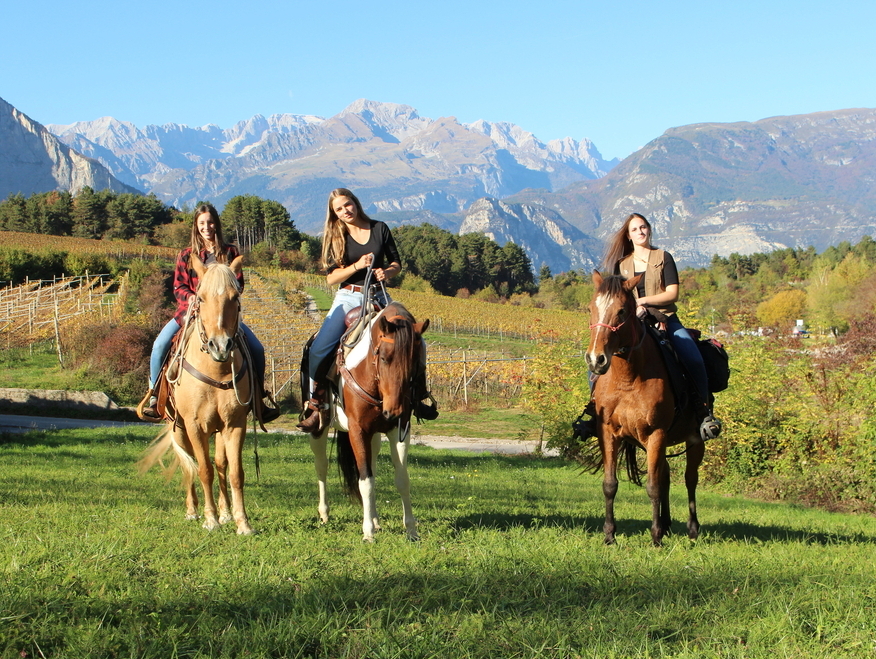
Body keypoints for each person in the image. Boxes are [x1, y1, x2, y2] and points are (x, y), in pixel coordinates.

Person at [297, 188, 437, 434]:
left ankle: (419, 396)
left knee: (416, 341)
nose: (345, 211)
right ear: (334, 214)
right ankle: (315, 405)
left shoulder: (379, 228)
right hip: (349, 296)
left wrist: (388, 272)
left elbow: (396, 263)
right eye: (338, 209)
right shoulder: (335, 236)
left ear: (355, 203)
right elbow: (331, 278)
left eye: (347, 205)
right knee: (319, 348)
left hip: (380, 295)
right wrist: (356, 266)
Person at [579, 213, 721, 442]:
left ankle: (703, 413)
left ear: (649, 230)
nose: (640, 232)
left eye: (643, 227)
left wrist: (642, 302)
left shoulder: (663, 257)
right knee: (599, 358)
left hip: (664, 319)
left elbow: (672, 293)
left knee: (693, 358)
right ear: (629, 235)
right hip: (631, 322)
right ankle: (594, 411)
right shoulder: (622, 264)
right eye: (635, 229)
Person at [142, 203, 279, 423]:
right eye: (202, 223)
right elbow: (178, 287)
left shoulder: (230, 252)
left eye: (211, 222)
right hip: (190, 313)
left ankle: (259, 399)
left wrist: (223, 296)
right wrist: (194, 298)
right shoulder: (187, 255)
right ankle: (154, 395)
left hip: (224, 315)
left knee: (257, 349)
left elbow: (239, 285)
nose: (207, 227)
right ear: (196, 226)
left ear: (217, 223)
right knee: (159, 345)